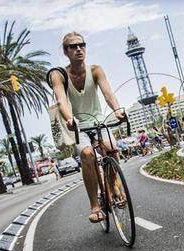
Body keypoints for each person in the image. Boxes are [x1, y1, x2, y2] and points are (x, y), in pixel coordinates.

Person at [49, 31, 126, 223]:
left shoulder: (95, 70)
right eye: (73, 47)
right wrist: (69, 119)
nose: (78, 49)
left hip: (99, 121)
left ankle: (114, 186)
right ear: (65, 52)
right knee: (87, 154)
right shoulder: (59, 75)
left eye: (81, 45)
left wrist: (117, 109)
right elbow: (61, 101)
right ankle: (94, 205)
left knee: (110, 148)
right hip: (76, 125)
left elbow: (108, 93)